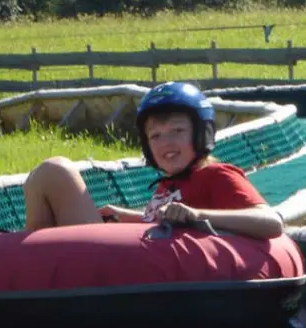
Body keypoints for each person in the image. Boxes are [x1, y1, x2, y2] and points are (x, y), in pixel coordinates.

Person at [22, 81, 284, 239]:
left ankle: (25, 268)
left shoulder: (217, 175)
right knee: (38, 178)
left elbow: (271, 222)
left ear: (202, 134)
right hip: (136, 259)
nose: (166, 143)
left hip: (134, 269)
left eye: (177, 131)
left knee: (55, 172)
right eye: (155, 136)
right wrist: (127, 217)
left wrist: (197, 215)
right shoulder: (168, 185)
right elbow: (161, 224)